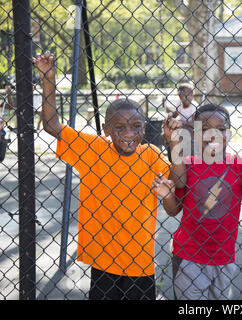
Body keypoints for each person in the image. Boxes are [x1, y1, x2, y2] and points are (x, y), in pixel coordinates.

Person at [33, 51, 175, 300]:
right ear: (106, 129)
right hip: (103, 259)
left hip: (139, 261)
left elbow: (178, 182)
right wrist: (48, 78)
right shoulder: (93, 149)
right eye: (119, 127)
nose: (129, 133)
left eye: (136, 126)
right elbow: (51, 125)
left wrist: (175, 143)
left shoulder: (152, 155)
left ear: (145, 126)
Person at [153, 102, 242, 300]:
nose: (214, 136)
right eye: (206, 130)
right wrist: (167, 195)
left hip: (223, 256)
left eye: (221, 129)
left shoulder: (239, 165)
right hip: (189, 255)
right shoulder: (188, 164)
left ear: (229, 133)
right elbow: (174, 210)